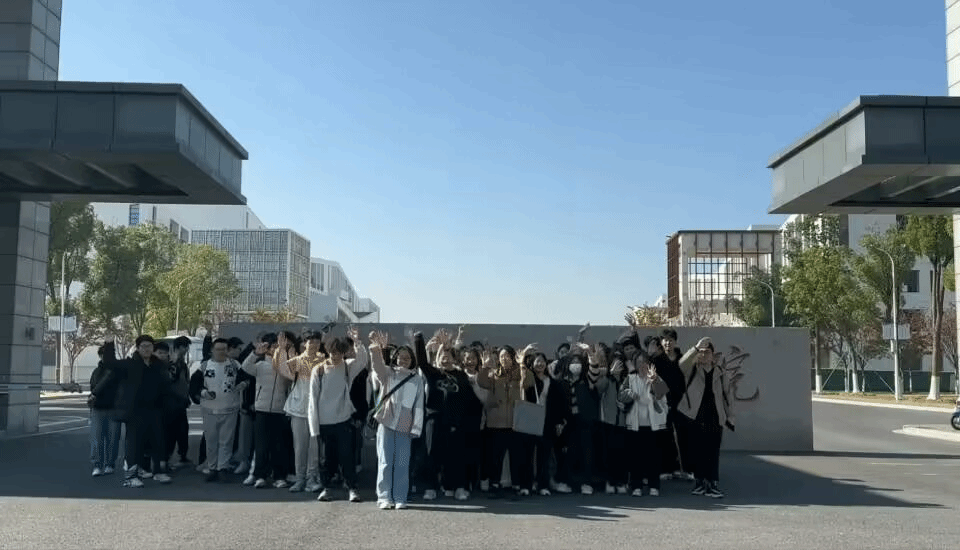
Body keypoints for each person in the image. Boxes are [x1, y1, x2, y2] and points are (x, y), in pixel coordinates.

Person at [96, 335, 180, 488]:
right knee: (134, 445)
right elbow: (110, 363)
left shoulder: (158, 365)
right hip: (135, 411)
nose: (146, 349)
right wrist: (109, 344)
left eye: (149, 346)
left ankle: (158, 472)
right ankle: (131, 476)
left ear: (153, 348)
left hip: (155, 410)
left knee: (158, 442)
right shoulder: (130, 364)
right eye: (143, 346)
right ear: (138, 348)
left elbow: (167, 385)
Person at [308, 326, 369, 503]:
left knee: (347, 456)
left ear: (344, 353)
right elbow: (312, 399)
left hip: (343, 420)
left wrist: (357, 342)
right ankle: (326, 488)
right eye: (333, 352)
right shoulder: (318, 370)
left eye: (340, 353)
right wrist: (314, 428)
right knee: (326, 459)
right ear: (328, 351)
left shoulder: (348, 367)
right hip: (324, 422)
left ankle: (352, 489)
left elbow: (363, 359)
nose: (336, 356)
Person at [368, 331, 426, 510]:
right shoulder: (388, 372)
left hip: (405, 426)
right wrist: (376, 349)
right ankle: (384, 497)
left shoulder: (417, 379)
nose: (403, 360)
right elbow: (377, 366)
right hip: (386, 421)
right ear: (395, 358)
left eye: (407, 358)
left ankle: (400, 497)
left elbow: (419, 405)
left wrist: (416, 428)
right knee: (385, 461)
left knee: (402, 463)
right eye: (400, 357)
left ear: (412, 360)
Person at [678, 337, 735, 499]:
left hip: (715, 417)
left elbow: (728, 396)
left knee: (713, 451)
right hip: (695, 416)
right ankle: (699, 482)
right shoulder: (692, 369)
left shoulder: (721, 373)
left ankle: (712, 483)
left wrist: (731, 416)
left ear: (713, 355)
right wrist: (696, 347)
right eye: (701, 352)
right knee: (697, 450)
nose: (703, 355)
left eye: (707, 352)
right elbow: (681, 364)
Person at [476, 345, 533, 499]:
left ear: (513, 357)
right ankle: (495, 484)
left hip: (516, 423)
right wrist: (485, 367)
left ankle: (517, 484)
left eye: (507, 356)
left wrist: (522, 364)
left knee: (517, 457)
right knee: (496, 457)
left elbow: (529, 382)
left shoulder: (520, 374)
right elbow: (481, 382)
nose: (504, 359)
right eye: (501, 356)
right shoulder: (494, 374)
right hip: (497, 423)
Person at [192, 338, 249, 483]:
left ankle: (222, 468)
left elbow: (246, 378)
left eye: (224, 349)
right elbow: (194, 385)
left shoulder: (235, 365)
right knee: (211, 440)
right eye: (218, 349)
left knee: (226, 441)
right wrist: (204, 393)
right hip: (209, 410)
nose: (221, 352)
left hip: (230, 409)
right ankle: (212, 467)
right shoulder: (205, 366)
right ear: (212, 350)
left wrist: (243, 384)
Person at [240, 333, 292, 489]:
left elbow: (291, 377)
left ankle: (279, 476)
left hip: (280, 410)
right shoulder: (261, 365)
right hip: (262, 409)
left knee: (279, 446)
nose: (274, 349)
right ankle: (260, 476)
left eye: (277, 346)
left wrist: (283, 357)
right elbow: (245, 367)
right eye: (272, 347)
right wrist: (255, 353)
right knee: (261, 445)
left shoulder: (285, 365)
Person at [274, 331, 322, 492]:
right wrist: (281, 350)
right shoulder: (297, 361)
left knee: (314, 448)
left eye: (317, 342)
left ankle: (311, 478)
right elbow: (282, 369)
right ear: (304, 343)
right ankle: (300, 479)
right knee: (300, 447)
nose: (314, 345)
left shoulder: (323, 361)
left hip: (317, 411)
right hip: (298, 409)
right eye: (310, 341)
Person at [619, 351, 669, 497]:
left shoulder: (656, 378)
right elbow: (620, 396)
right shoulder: (630, 378)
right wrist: (630, 394)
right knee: (636, 458)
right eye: (639, 362)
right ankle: (636, 486)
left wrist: (654, 380)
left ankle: (654, 486)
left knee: (653, 457)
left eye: (644, 362)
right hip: (635, 425)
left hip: (654, 425)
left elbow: (662, 394)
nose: (642, 365)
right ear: (635, 364)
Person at [523, 351, 571, 496]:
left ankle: (542, 485)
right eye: (537, 361)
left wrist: (560, 422)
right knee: (528, 454)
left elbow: (559, 404)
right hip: (530, 420)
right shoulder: (529, 380)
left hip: (547, 422)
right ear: (532, 364)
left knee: (543, 455)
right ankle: (527, 485)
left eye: (542, 361)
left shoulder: (553, 382)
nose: (540, 364)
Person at [88, 345, 121, 477]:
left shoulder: (118, 370)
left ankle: (110, 464)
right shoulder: (96, 371)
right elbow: (93, 387)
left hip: (114, 408)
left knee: (113, 438)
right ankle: (97, 465)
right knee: (97, 438)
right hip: (98, 408)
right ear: (100, 356)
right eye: (104, 355)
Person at [165, 336, 192, 469]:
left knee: (183, 430)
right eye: (185, 347)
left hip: (181, 402)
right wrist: (174, 363)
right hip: (171, 403)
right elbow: (171, 379)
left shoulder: (183, 363)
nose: (187, 350)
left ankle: (182, 455)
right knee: (171, 432)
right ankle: (166, 459)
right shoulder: (171, 362)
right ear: (179, 347)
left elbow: (185, 382)